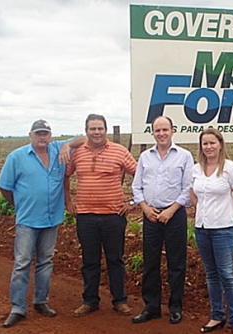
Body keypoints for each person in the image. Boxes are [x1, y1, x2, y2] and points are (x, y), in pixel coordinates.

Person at [0, 119, 85, 328]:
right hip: (27, 219)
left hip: (51, 218)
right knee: (22, 263)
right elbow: (4, 187)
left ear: (50, 135)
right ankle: (18, 307)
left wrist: (67, 145)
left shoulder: (57, 149)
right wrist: (19, 204)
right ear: (30, 135)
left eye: (45, 133)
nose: (42, 137)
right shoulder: (17, 157)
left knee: (46, 261)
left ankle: (41, 301)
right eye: (38, 133)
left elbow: (84, 138)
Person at [64, 114, 137, 318]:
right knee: (89, 260)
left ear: (105, 130)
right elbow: (66, 175)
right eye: (92, 129)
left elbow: (141, 174)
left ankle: (120, 301)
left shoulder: (119, 151)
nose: (96, 132)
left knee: (115, 259)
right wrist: (68, 201)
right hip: (85, 216)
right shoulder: (77, 153)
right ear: (86, 131)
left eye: (100, 128)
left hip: (113, 215)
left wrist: (132, 202)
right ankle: (90, 301)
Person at [131, 116, 194, 325]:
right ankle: (151, 307)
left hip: (174, 216)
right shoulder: (145, 157)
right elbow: (136, 186)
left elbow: (187, 189)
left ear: (172, 131)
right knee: (150, 263)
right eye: (157, 130)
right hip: (151, 216)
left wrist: (172, 210)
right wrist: (145, 208)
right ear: (152, 133)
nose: (161, 133)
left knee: (176, 263)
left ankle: (175, 307)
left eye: (165, 129)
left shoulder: (184, 156)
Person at [189, 128, 233, 334]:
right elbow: (192, 194)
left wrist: (229, 215)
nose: (209, 147)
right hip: (202, 229)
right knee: (211, 275)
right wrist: (202, 211)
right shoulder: (196, 169)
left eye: (212, 143)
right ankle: (216, 316)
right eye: (205, 143)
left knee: (227, 275)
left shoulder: (230, 168)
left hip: (223, 230)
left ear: (220, 144)